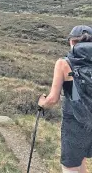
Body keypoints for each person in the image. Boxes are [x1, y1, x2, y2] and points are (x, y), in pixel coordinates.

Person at [38, 25, 92, 173]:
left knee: (70, 165)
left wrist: (41, 103)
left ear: (72, 42)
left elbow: (53, 99)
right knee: (80, 162)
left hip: (75, 121)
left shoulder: (64, 63)